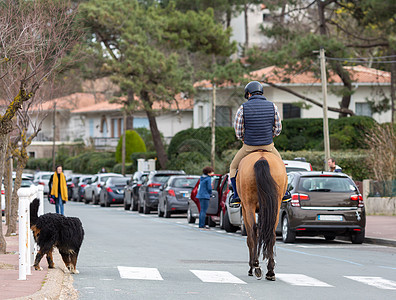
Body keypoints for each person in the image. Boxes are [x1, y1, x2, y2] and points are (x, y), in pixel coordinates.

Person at [229, 81, 289, 207]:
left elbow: (238, 131)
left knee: (233, 167)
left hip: (249, 147)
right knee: (282, 166)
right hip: (268, 146)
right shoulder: (272, 106)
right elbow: (278, 129)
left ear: (249, 94)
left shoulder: (242, 108)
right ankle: (284, 193)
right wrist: (271, 134)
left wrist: (242, 138)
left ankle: (236, 195)